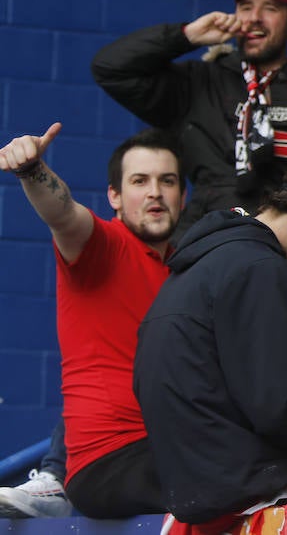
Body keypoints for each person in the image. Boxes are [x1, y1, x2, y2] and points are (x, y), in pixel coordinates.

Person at [134, 165, 287, 525]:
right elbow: (279, 408)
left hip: (190, 486)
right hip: (247, 484)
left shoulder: (201, 263)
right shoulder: (263, 268)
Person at [90, 0, 287, 230]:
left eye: (270, 8)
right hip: (210, 240)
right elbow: (111, 69)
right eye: (246, 8)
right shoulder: (199, 83)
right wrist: (188, 35)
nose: (255, 17)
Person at [0, 125, 184, 518]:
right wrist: (32, 170)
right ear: (114, 196)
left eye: (167, 181)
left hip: (171, 448)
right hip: (115, 460)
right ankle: (53, 476)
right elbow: (63, 214)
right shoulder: (103, 244)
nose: (155, 191)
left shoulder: (188, 273)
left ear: (183, 197)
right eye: (140, 181)